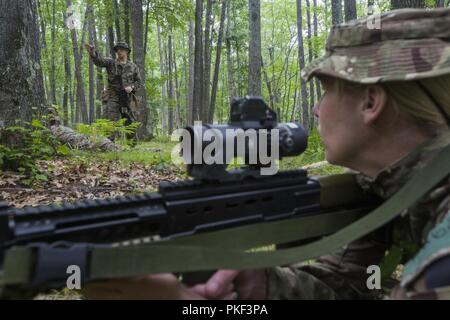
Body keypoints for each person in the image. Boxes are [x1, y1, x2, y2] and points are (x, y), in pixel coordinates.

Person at [82, 7, 450, 300]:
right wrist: (262, 285)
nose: (317, 110)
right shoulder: (391, 187)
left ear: (372, 102)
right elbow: (342, 288)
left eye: (326, 90)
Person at [84, 41, 142, 125]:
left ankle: (130, 138)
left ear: (127, 51)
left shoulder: (133, 66)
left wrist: (132, 87)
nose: (119, 51)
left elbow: (139, 81)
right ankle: (109, 138)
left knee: (130, 123)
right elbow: (100, 61)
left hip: (127, 98)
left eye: (122, 49)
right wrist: (93, 54)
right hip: (113, 96)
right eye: (117, 49)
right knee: (111, 121)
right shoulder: (111, 63)